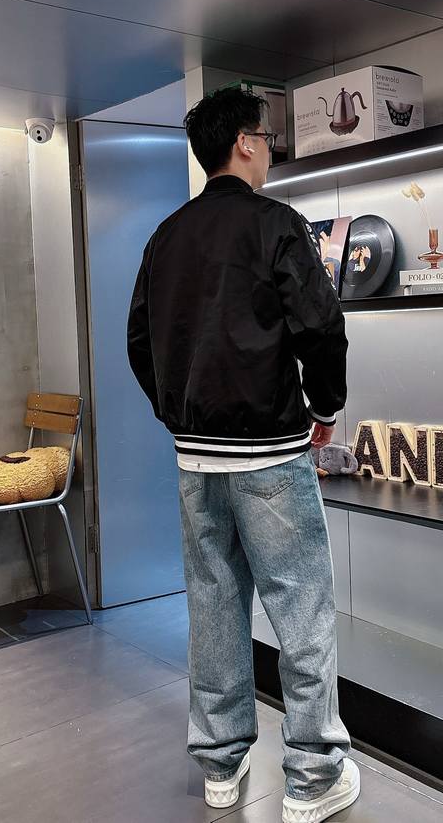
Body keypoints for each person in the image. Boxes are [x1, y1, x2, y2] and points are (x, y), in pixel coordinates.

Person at [127, 87, 359, 823]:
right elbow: (322, 326)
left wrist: (179, 414)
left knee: (214, 607)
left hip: (196, 461)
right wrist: (325, 408)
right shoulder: (278, 224)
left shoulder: (166, 235)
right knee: (302, 610)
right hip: (270, 457)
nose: (270, 150)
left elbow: (139, 342)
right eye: (267, 136)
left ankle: (222, 769)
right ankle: (312, 777)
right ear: (246, 142)